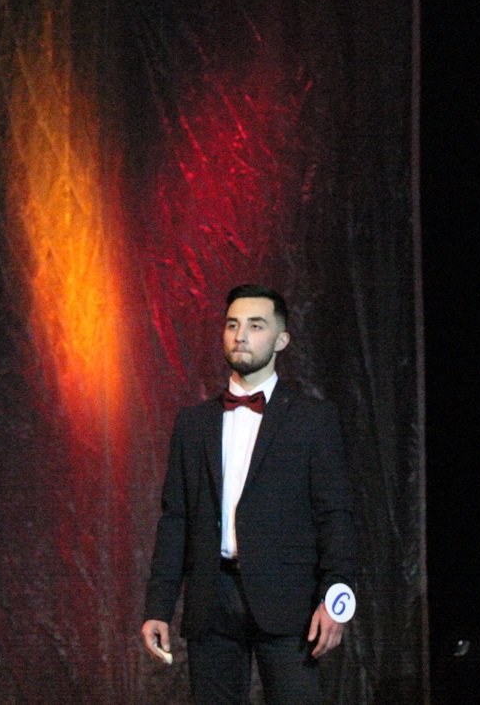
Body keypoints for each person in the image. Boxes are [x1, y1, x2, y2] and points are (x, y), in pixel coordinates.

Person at [141, 284, 357, 704]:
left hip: (289, 600)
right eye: (232, 325)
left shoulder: (313, 419)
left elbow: (335, 514)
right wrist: (158, 607)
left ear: (281, 339)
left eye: (256, 326)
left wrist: (336, 598)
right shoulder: (194, 423)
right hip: (212, 597)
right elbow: (176, 519)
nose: (240, 335)